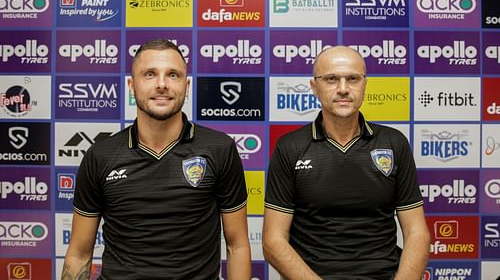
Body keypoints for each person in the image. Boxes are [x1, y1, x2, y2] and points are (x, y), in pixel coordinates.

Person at [62, 39, 251, 280]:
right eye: (149, 74)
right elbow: (79, 253)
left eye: (173, 75)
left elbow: (237, 245)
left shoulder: (219, 149)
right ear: (132, 85)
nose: (162, 84)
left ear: (187, 85)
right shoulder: (101, 156)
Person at [263, 46, 430, 280]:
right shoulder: (290, 147)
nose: (343, 89)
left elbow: (416, 232)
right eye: (331, 79)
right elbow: (273, 240)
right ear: (314, 87)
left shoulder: (394, 143)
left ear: (364, 84)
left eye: (352, 79)